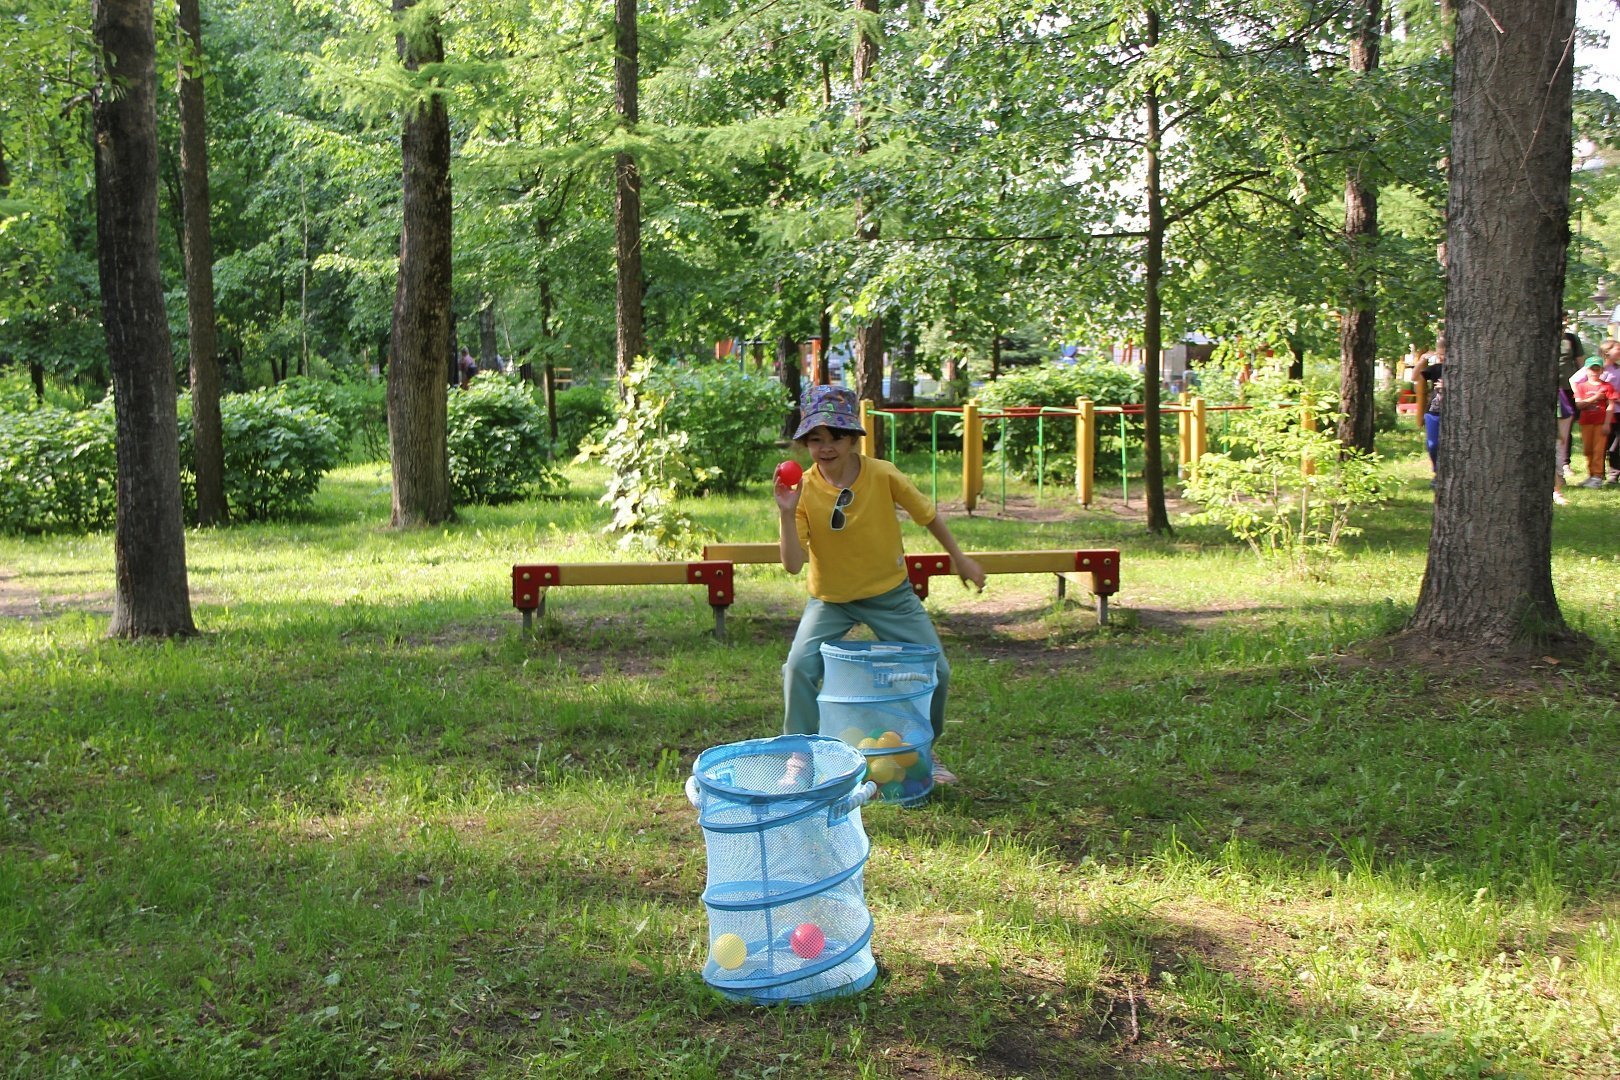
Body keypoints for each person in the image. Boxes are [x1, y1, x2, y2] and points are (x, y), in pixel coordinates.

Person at [775, 385, 985, 787]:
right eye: (815, 439)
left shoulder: (883, 474)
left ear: (853, 438)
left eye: (836, 436)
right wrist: (786, 513)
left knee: (937, 670)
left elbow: (928, 516)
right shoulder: (802, 490)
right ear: (805, 444)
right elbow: (791, 564)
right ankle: (799, 755)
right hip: (831, 600)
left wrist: (960, 558)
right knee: (798, 668)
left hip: (890, 595)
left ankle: (924, 750)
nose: (826, 447)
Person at [1570, 356, 1619, 488]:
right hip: (1586, 422)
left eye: (1597, 369)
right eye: (1592, 369)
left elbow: (1611, 405)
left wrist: (1607, 423)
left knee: (1599, 449)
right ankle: (1591, 475)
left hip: (1601, 422)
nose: (1594, 372)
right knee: (1587, 450)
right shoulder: (1581, 387)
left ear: (1602, 370)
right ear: (1586, 370)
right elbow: (1579, 405)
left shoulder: (1607, 386)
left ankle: (1597, 476)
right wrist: (1596, 397)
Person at [1419, 335, 1444, 483]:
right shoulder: (1435, 369)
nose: (1440, 357)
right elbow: (1416, 377)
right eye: (1439, 354)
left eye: (1443, 354)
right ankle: (1437, 472)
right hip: (1433, 412)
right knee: (1433, 444)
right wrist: (1422, 360)